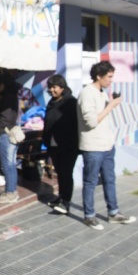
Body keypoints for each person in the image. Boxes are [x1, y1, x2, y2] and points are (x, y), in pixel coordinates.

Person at [77, 60, 136, 230]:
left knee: (110, 179)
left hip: (107, 145)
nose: (111, 80)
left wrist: (110, 104)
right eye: (109, 77)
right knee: (90, 181)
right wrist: (111, 105)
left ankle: (114, 213)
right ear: (98, 76)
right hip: (93, 146)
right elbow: (91, 121)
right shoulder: (87, 93)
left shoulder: (101, 92)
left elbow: (101, 117)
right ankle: (89, 216)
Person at [42, 74, 79, 214]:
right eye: (50, 87)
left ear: (62, 87)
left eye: (54, 87)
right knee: (60, 172)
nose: (52, 90)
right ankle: (61, 197)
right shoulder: (51, 102)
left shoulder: (71, 102)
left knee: (66, 173)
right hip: (53, 144)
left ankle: (66, 202)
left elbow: (75, 125)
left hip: (68, 145)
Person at [0, 72, 21, 204]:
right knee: (11, 165)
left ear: (3, 85)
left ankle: (10, 193)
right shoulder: (13, 96)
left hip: (5, 134)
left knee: (7, 165)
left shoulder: (7, 98)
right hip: (11, 132)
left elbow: (4, 118)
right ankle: (12, 191)